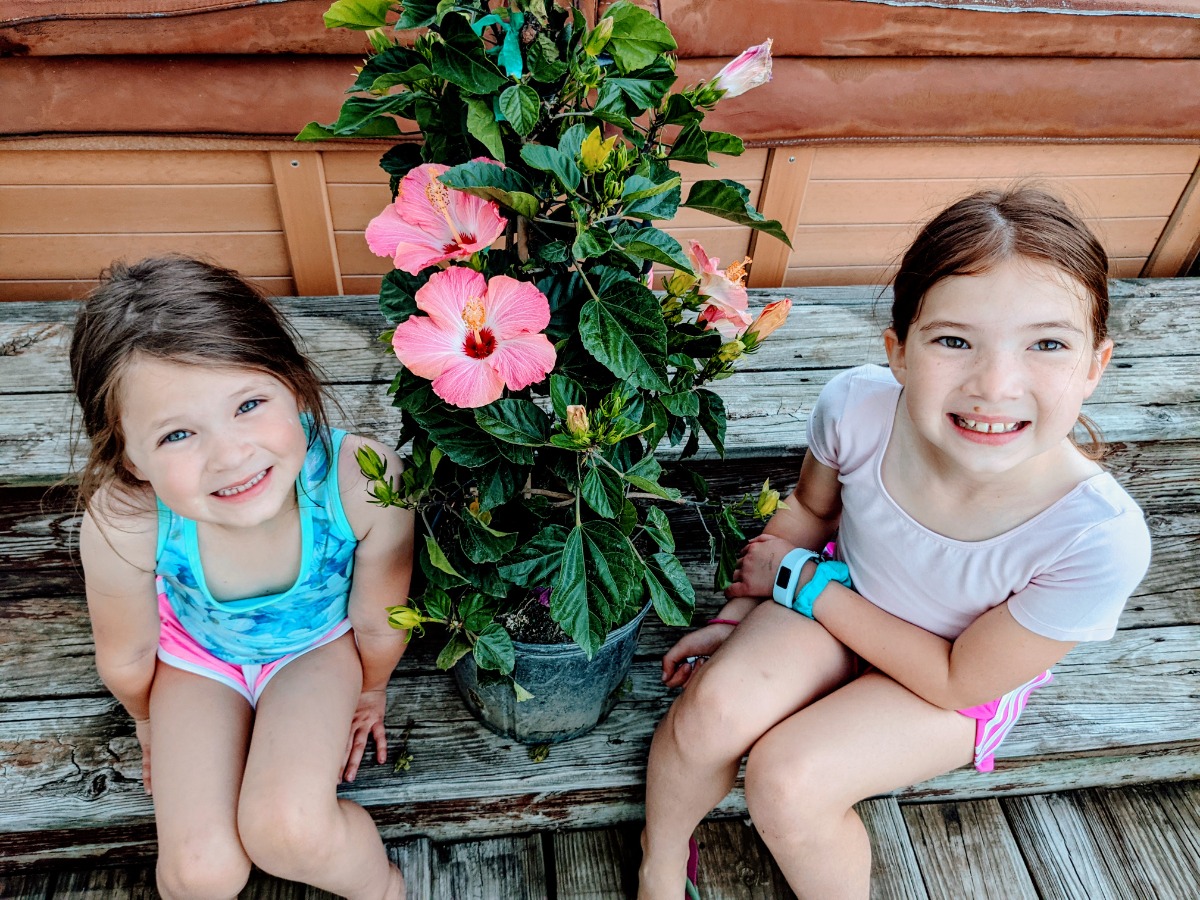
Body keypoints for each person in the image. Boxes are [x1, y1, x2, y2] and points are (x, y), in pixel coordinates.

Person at [637, 189, 1152, 899]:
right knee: (712, 709)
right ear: (898, 352)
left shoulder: (1095, 536)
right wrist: (735, 619)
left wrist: (805, 585)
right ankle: (660, 862)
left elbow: (958, 680)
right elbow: (809, 516)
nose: (994, 385)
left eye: (1047, 343)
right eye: (953, 340)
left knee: (790, 780)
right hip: (843, 598)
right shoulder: (858, 406)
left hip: (951, 683)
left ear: (1095, 365)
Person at [71, 256, 414, 900]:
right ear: (128, 456)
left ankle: (384, 889)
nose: (229, 455)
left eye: (249, 404)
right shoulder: (126, 520)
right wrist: (151, 723)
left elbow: (377, 618)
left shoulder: (359, 480)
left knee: (289, 831)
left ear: (294, 385)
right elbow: (129, 655)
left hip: (315, 651)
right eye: (177, 434)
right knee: (199, 873)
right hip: (196, 661)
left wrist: (370, 691)